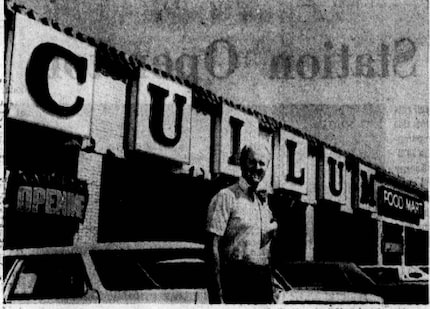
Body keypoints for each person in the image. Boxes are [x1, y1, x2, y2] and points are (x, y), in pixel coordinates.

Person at [206, 142, 278, 304]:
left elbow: (267, 250)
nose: (257, 167)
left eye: (262, 163)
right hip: (235, 282)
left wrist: (271, 290)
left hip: (262, 285)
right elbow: (212, 246)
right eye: (252, 162)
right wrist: (217, 297)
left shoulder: (263, 203)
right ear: (242, 163)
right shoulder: (226, 196)